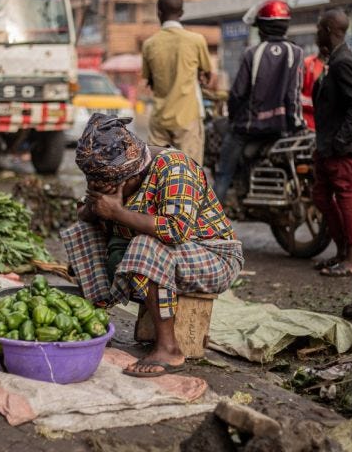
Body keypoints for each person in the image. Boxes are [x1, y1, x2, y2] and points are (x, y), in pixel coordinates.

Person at [62, 113, 243, 377]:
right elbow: (85, 214)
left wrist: (118, 213)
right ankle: (96, 322)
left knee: (145, 244)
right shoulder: (109, 169)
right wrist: (95, 205)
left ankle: (168, 348)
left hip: (213, 257)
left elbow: (176, 230)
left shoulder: (175, 168)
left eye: (111, 184)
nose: (103, 187)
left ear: (133, 172)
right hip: (163, 255)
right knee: (82, 232)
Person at [213, 0, 304, 201]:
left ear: (262, 27)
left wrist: (234, 118)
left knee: (223, 173)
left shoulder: (252, 53)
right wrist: (296, 124)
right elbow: (293, 94)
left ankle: (208, 221)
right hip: (281, 128)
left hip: (248, 129)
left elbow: (237, 94)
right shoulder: (296, 52)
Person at [311, 9, 352, 277]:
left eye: (319, 28)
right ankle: (341, 251)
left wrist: (340, 140)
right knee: (321, 196)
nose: (316, 33)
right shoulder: (333, 60)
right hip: (326, 147)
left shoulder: (345, 61)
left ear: (330, 29)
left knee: (346, 197)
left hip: (340, 148)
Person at [141, 0, 212, 165]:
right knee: (190, 173)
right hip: (187, 119)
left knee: (153, 172)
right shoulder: (196, 40)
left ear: (158, 13)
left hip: (159, 119)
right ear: (181, 13)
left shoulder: (149, 44)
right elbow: (207, 73)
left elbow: (149, 81)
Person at [301, 53, 325, 131]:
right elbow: (297, 96)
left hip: (327, 127)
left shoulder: (339, 64)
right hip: (308, 124)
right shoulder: (308, 63)